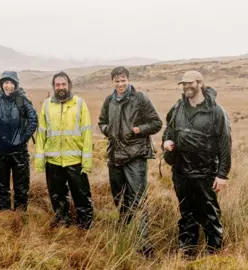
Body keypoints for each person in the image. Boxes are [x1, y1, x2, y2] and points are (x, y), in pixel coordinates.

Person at [162, 70, 231, 256]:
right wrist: (166, 142)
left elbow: (225, 143)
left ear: (200, 83)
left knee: (209, 213)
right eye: (184, 84)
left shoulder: (216, 110)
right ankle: (187, 251)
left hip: (205, 172)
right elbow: (168, 130)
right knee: (186, 212)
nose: (186, 87)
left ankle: (214, 253)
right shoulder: (178, 107)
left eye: (190, 83)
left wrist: (222, 175)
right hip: (181, 172)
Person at [98, 66, 162, 255]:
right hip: (115, 156)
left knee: (139, 199)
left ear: (128, 80)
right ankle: (125, 233)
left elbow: (156, 123)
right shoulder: (109, 100)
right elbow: (101, 122)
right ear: (112, 82)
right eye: (117, 81)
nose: (120, 84)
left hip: (135, 156)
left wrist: (138, 130)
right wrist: (107, 130)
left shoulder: (140, 99)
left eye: (123, 80)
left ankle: (144, 244)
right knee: (120, 198)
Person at [34, 71, 94, 229]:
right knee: (57, 195)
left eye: (63, 84)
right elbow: (41, 133)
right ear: (53, 87)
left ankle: (85, 225)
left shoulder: (80, 104)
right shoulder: (47, 105)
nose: (60, 87)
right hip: (53, 160)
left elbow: (87, 132)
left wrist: (86, 161)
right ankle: (62, 221)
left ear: (69, 85)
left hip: (75, 159)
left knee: (81, 194)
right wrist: (40, 159)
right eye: (57, 85)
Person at [0, 71, 38, 211]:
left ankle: (20, 219)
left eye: (11, 83)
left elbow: (33, 119)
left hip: (19, 153)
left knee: (21, 189)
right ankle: (5, 218)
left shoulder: (22, 100)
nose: (8, 86)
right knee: (2, 189)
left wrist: (22, 138)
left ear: (16, 84)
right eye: (5, 83)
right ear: (2, 84)